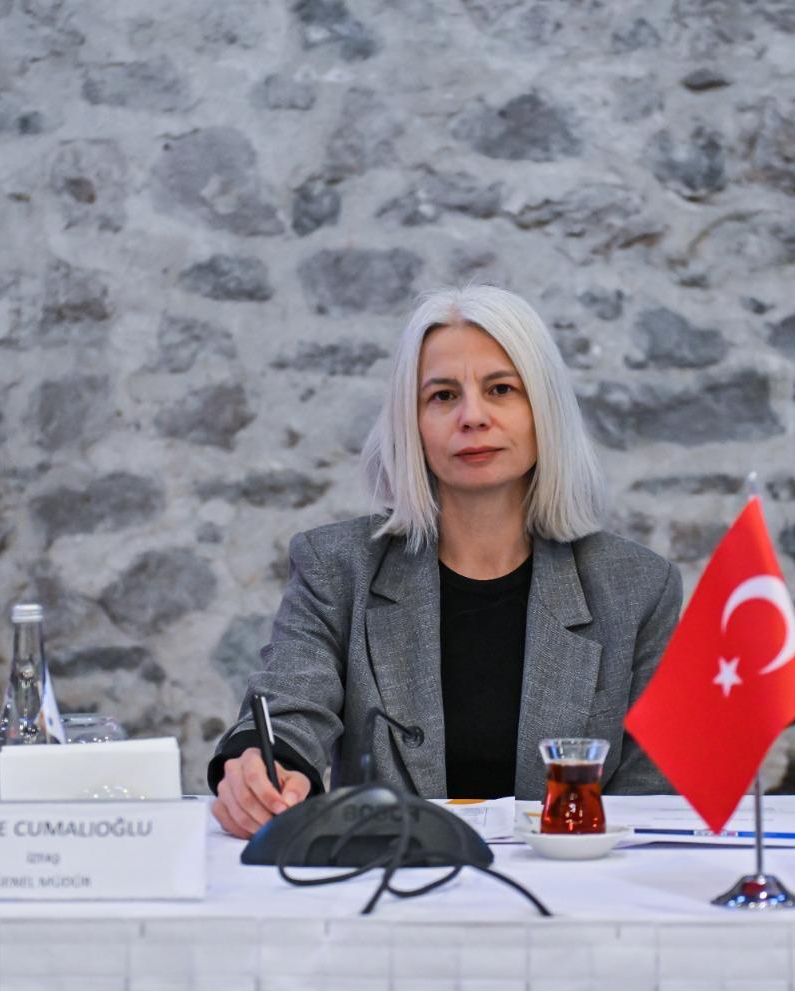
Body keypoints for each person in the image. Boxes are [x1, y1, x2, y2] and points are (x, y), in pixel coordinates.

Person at [207, 284, 682, 839]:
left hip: (572, 895)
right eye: (442, 396)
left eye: (501, 389)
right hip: (391, 887)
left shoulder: (637, 586)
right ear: (412, 424)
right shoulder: (337, 567)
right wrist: (262, 768)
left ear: (543, 410)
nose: (472, 417)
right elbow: (289, 707)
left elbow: (656, 801)